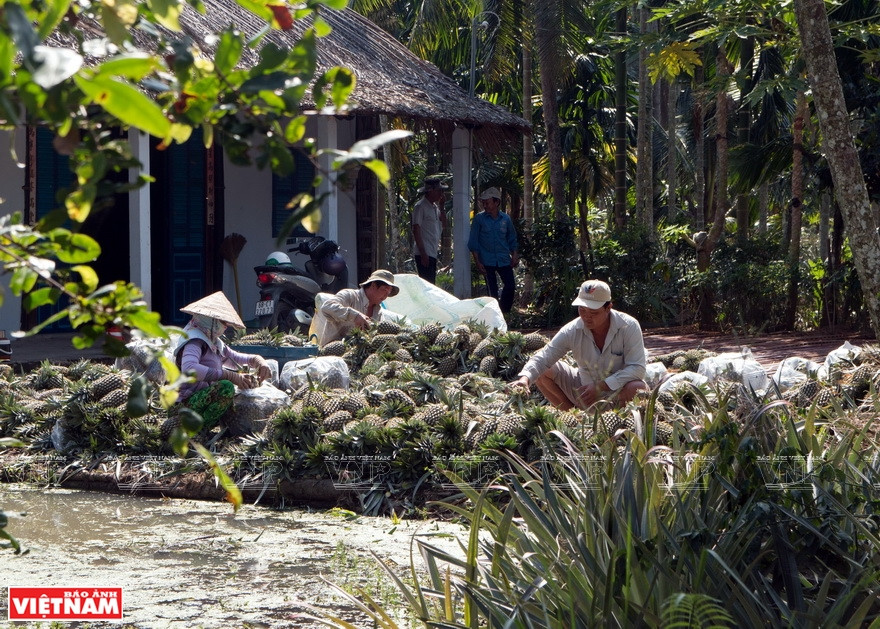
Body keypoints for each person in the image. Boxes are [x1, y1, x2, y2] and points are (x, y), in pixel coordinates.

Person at [510, 280, 647, 410]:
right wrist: (525, 378)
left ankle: (619, 422)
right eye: (582, 310)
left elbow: (637, 368)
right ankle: (573, 416)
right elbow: (545, 356)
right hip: (583, 390)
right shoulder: (572, 330)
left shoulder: (629, 326)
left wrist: (600, 387)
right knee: (543, 370)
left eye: (593, 312)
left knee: (638, 388)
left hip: (617, 393)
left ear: (608, 308)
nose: (587, 316)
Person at [172, 292, 272, 429]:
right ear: (210, 320)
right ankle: (196, 431)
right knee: (226, 387)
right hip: (186, 404)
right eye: (223, 322)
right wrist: (229, 375)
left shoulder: (213, 342)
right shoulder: (194, 340)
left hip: (202, 400)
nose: (225, 327)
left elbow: (234, 358)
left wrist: (257, 361)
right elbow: (190, 369)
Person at [309, 270, 400, 347]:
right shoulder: (350, 296)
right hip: (332, 353)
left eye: (389, 292)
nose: (386, 296)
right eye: (384, 290)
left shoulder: (378, 312)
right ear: (373, 285)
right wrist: (354, 315)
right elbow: (327, 307)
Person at [468, 187, 519, 314]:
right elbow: (473, 241)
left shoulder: (505, 219)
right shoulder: (479, 219)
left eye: (487, 202)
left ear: (496, 202)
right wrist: (477, 261)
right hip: (487, 260)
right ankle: (495, 316)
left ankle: (504, 312)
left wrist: (514, 255)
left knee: (510, 286)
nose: (485, 205)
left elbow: (512, 238)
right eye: (483, 203)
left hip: (503, 259)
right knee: (492, 291)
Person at [411, 176, 448, 284]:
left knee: (430, 283)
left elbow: (444, 225)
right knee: (427, 284)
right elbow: (416, 229)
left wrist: (442, 206)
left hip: (432, 252)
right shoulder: (420, 206)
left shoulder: (435, 208)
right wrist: (423, 253)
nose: (441, 193)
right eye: (439, 190)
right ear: (431, 191)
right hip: (424, 252)